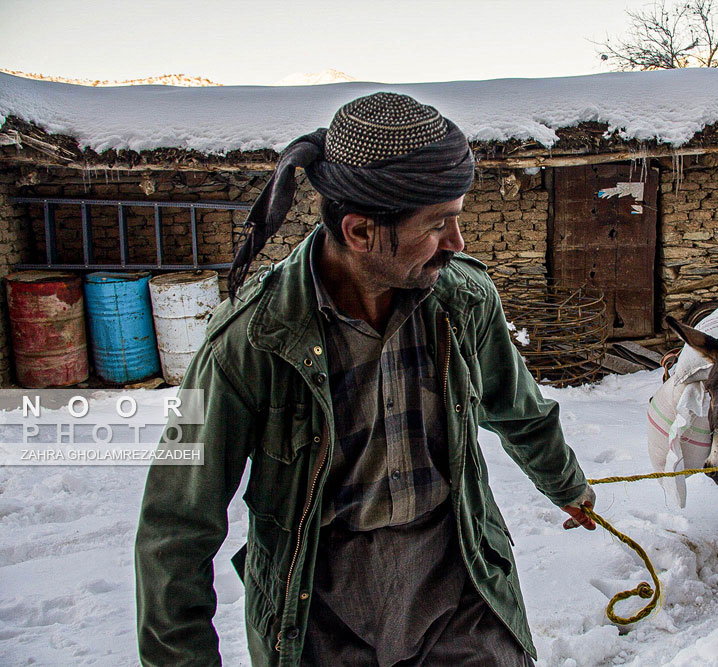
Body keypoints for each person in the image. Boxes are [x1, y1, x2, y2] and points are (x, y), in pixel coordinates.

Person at [134, 92, 597, 667]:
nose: (458, 244)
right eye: (437, 225)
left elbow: (517, 406)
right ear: (359, 232)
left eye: (457, 218)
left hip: (455, 586)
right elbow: (175, 530)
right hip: (320, 613)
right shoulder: (248, 343)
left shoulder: (462, 300)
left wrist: (567, 484)